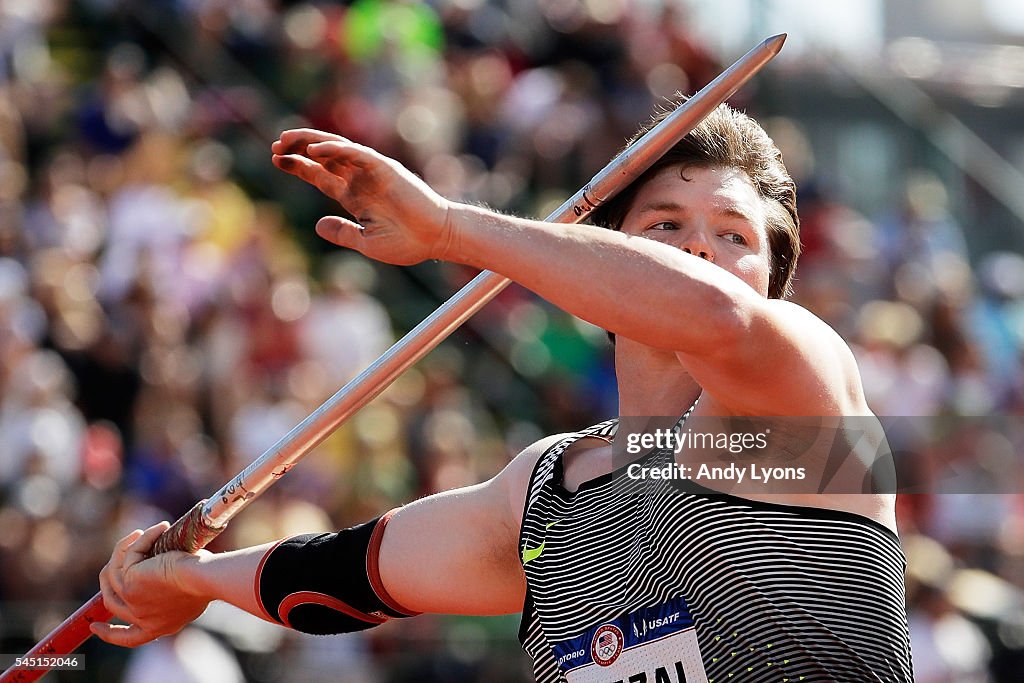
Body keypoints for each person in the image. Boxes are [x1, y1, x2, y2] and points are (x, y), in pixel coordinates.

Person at [92, 102, 914, 682]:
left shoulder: (804, 393)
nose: (698, 250)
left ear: (772, 280)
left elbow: (720, 318)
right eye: (665, 226)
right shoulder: (549, 488)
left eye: (733, 236)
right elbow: (356, 572)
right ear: (601, 257)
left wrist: (450, 228)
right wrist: (192, 580)